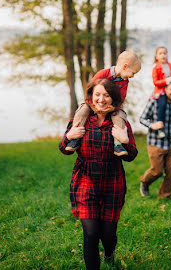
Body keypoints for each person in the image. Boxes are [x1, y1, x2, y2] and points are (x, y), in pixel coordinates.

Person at [59, 78, 138, 269]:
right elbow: (64, 148)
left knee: (108, 234)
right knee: (91, 232)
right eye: (97, 95)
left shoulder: (120, 123)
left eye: (106, 95)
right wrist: (69, 136)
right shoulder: (82, 119)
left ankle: (109, 253)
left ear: (113, 99)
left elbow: (131, 155)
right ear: (91, 97)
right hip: (85, 180)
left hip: (113, 181)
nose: (101, 99)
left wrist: (125, 140)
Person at [65, 50, 141, 156]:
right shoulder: (103, 73)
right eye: (132, 73)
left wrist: (113, 108)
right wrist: (92, 104)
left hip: (111, 107)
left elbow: (122, 97)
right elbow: (90, 90)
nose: (132, 76)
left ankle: (118, 144)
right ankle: (75, 138)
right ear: (125, 67)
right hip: (93, 105)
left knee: (120, 115)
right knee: (83, 110)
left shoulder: (124, 81)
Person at [139, 80, 171, 199]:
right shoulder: (154, 102)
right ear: (165, 90)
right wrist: (152, 125)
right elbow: (142, 119)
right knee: (157, 171)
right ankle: (144, 182)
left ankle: (164, 197)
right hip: (156, 143)